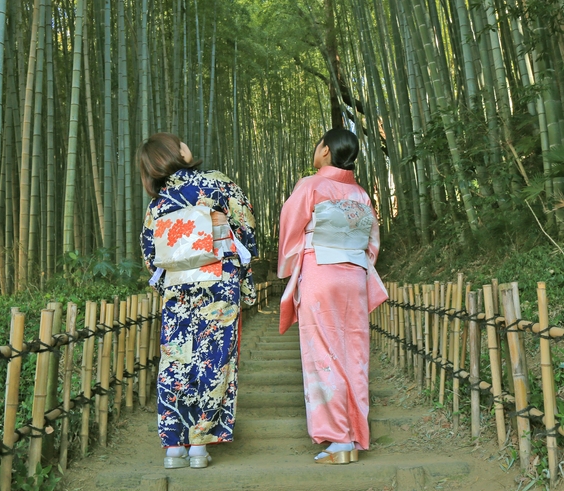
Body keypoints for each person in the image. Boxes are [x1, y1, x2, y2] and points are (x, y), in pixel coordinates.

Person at [138, 133, 258, 470]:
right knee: (214, 359)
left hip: (178, 288)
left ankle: (173, 446)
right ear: (177, 152)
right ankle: (200, 446)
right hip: (218, 282)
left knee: (176, 361)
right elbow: (245, 227)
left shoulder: (156, 204)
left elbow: (151, 256)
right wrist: (240, 263)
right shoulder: (216, 184)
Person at [277, 128, 388, 465]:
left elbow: (290, 230)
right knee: (354, 352)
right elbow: (371, 243)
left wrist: (292, 263)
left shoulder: (311, 186)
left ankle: (338, 440)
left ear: (325, 150)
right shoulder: (361, 194)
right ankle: (354, 434)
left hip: (320, 273)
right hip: (354, 275)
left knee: (323, 353)